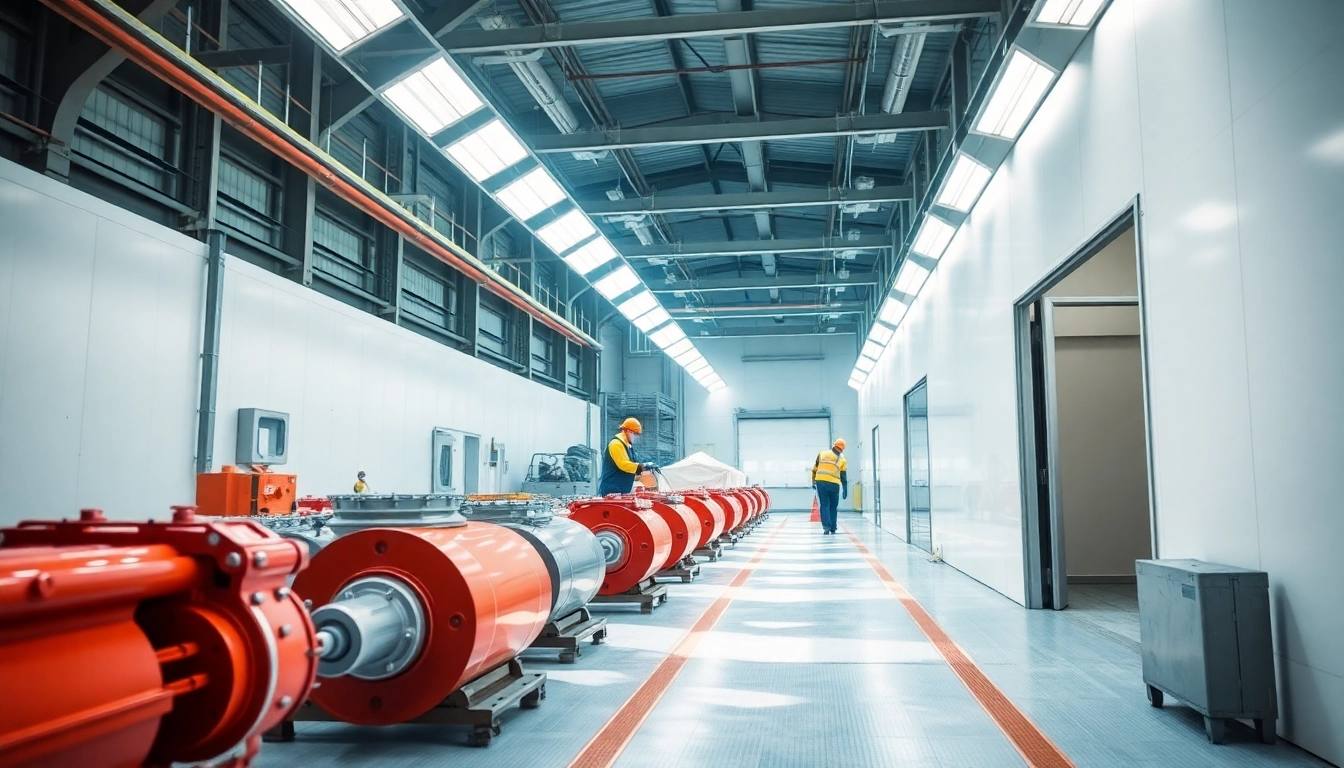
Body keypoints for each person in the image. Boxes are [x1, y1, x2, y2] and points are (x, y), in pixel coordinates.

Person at [597, 417, 657, 496]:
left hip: (621, 490)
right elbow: (623, 464)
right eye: (635, 434)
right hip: (612, 492)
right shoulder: (616, 444)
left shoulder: (628, 446)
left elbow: (632, 469)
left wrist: (644, 470)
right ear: (627, 431)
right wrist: (642, 467)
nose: (636, 437)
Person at [812, 438, 848, 535]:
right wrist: (845, 488)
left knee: (824, 505)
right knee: (833, 506)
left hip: (820, 482)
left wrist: (813, 481)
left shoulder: (822, 454)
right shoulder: (842, 459)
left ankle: (826, 527)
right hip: (834, 484)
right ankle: (833, 528)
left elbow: (815, 469)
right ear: (842, 449)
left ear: (834, 445)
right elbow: (843, 476)